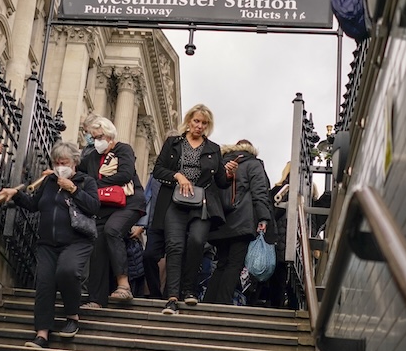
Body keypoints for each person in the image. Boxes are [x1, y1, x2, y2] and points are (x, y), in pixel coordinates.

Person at [0, 141, 99, 348]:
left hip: (77, 241)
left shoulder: (86, 181)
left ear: (74, 162)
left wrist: (73, 190)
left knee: (67, 271)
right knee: (45, 283)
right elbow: (34, 204)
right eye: (56, 162)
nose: (60, 166)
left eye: (64, 162)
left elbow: (93, 207)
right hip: (47, 243)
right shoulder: (49, 182)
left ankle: (72, 316)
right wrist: (16, 195)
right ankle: (42, 333)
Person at [151, 104, 234, 315]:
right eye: (196, 121)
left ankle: (189, 289)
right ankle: (172, 297)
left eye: (204, 123)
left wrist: (229, 174)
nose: (199, 126)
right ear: (189, 121)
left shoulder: (213, 148)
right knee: (175, 245)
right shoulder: (173, 143)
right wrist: (177, 176)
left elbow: (221, 181)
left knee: (197, 242)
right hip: (174, 201)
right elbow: (158, 170)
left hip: (201, 203)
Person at [77, 117, 146, 308]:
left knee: (112, 230)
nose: (96, 141)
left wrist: (94, 185)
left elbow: (125, 174)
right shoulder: (92, 158)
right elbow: (77, 171)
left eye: (99, 137)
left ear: (109, 135)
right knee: (97, 244)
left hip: (129, 202)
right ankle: (96, 299)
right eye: (93, 137)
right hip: (105, 206)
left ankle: (123, 285)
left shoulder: (123, 149)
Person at [205, 139, 273, 305]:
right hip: (242, 220)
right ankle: (222, 303)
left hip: (220, 219)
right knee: (235, 263)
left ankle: (208, 301)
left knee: (222, 263)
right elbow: (259, 191)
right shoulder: (253, 163)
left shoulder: (222, 162)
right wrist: (263, 217)